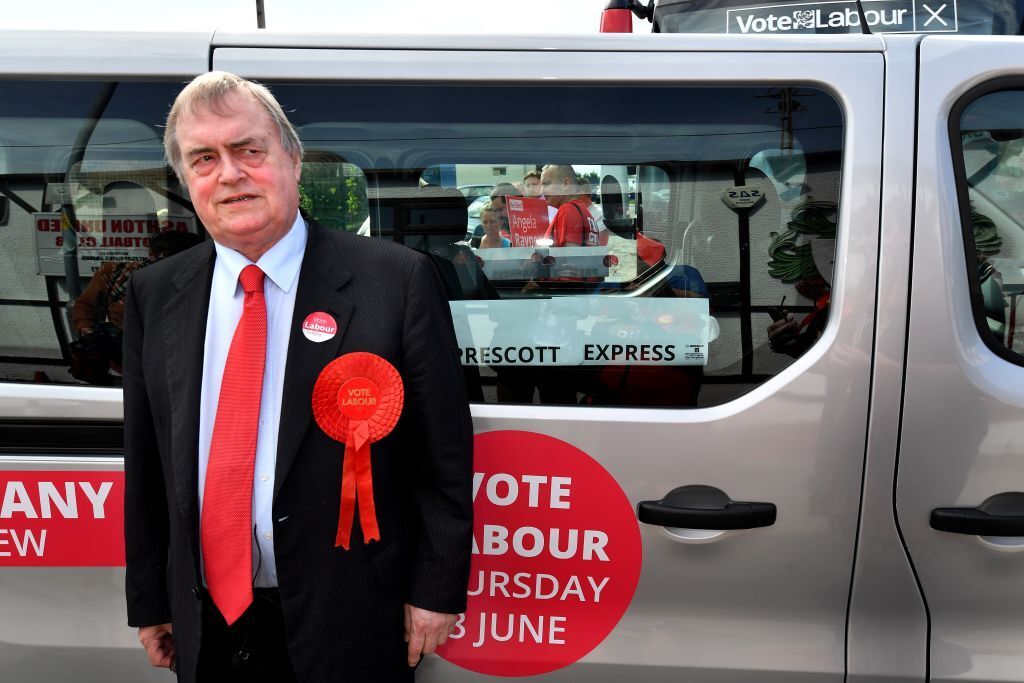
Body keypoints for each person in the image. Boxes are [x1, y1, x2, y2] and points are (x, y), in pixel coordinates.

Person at [122, 72, 473, 683]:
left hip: (352, 612)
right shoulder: (156, 293)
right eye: (204, 158)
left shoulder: (396, 281)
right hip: (206, 620)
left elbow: (441, 457)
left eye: (248, 150)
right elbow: (147, 459)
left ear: (292, 156)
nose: (229, 174)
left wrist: (437, 591)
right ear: (187, 181)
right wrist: (152, 599)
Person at [70, 230, 201, 384]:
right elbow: (84, 305)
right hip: (120, 366)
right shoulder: (117, 273)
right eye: (154, 256)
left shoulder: (197, 283)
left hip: (173, 368)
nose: (154, 261)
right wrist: (90, 334)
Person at [539, 164, 600, 248]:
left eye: (546, 184)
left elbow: (570, 257)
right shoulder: (581, 209)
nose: (541, 191)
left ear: (566, 184)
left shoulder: (568, 210)